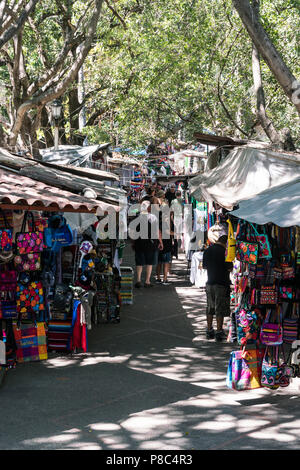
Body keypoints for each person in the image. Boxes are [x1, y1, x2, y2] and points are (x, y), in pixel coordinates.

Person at [202, 229, 233, 342]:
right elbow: (230, 268)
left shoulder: (208, 250)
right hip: (221, 283)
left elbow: (204, 266)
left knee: (210, 307)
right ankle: (219, 331)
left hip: (210, 283)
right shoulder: (225, 252)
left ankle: (209, 329)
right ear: (226, 243)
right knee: (220, 308)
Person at [131, 200, 162, 288]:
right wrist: (160, 242)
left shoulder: (137, 217)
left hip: (139, 243)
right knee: (149, 262)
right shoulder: (153, 217)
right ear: (149, 208)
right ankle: (147, 281)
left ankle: (138, 280)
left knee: (139, 263)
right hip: (151, 243)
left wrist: (133, 243)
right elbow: (157, 231)